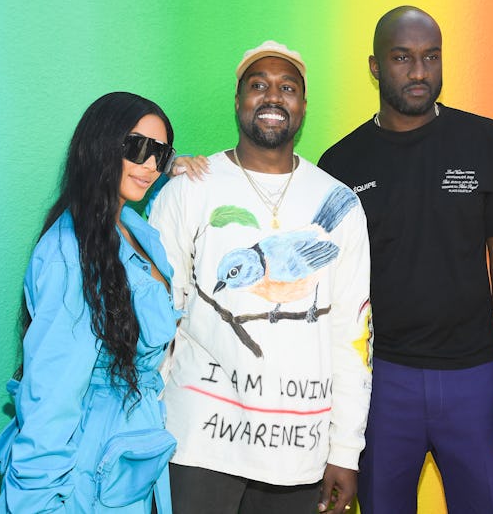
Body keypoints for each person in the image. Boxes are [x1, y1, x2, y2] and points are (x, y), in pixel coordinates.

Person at [318, 6, 493, 513]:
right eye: (403, 58)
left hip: (476, 379)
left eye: (430, 57)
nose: (419, 72)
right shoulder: (340, 164)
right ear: (375, 66)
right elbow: (326, 291)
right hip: (382, 383)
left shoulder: (483, 140)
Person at [148, 41, 372, 514]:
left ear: (303, 105)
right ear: (238, 101)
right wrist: (152, 422)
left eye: (287, 87)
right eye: (258, 86)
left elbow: (352, 335)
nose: (273, 97)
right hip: (198, 444)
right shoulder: (188, 190)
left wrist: (345, 451)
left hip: (298, 450)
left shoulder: (341, 201)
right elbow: (156, 316)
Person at [0, 92, 180, 513]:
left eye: (161, 154)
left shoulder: (133, 227)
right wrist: (37, 501)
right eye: (138, 148)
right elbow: (51, 398)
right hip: (82, 475)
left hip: (128, 463)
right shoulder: (69, 253)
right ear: (100, 145)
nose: (150, 165)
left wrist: (182, 166)